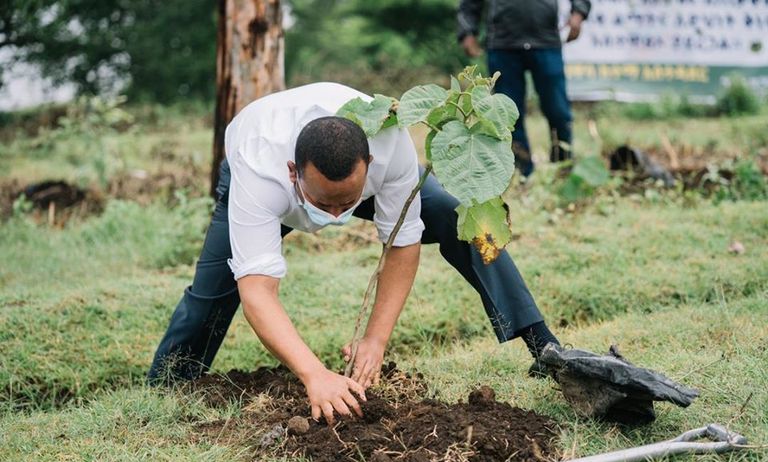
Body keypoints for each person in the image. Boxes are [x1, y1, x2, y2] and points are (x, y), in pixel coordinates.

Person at [147, 82, 562, 425]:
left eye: (346, 204)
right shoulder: (260, 171)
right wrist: (314, 375)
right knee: (213, 292)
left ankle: (543, 347)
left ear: (369, 163)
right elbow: (258, 289)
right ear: (294, 172)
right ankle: (165, 388)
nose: (335, 218)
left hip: (346, 173)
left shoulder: (390, 144)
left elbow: (402, 244)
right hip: (263, 177)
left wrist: (375, 340)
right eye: (325, 205)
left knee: (468, 221)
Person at [457, 0, 591, 176]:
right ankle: (521, 173)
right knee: (508, 116)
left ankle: (563, 168)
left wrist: (579, 13)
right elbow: (468, 4)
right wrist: (466, 31)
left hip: (546, 41)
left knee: (558, 111)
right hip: (503, 45)